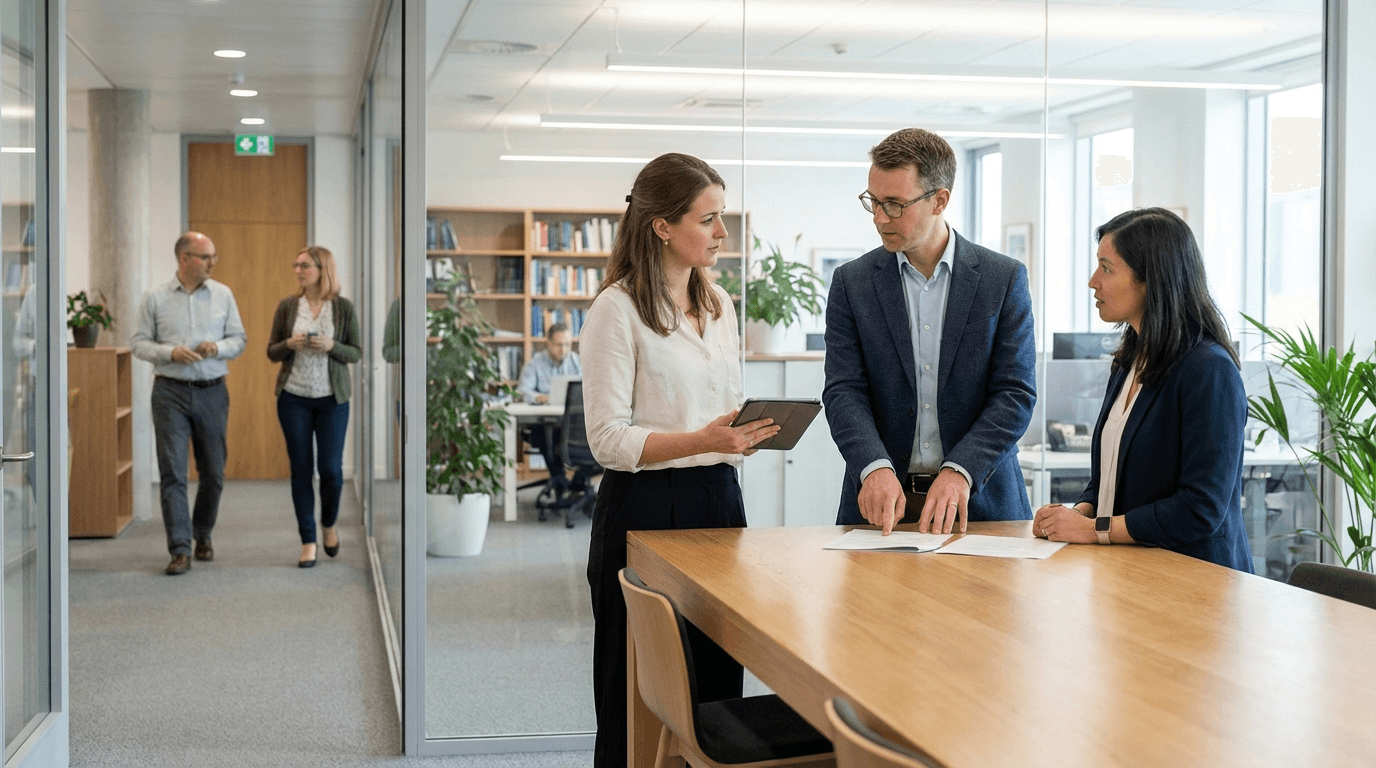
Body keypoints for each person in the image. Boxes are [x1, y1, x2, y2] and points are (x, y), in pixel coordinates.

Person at [580, 152, 779, 768]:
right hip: (644, 506)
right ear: (662, 226)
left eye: (723, 217)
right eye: (709, 219)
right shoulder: (615, 310)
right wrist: (700, 440)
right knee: (635, 687)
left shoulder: (719, 304)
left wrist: (742, 434)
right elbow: (607, 439)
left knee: (717, 685)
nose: (723, 233)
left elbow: (719, 408)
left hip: (719, 502)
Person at [823, 128, 1036, 536]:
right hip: (881, 506)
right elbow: (844, 390)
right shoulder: (853, 283)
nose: (879, 218)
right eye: (873, 201)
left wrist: (960, 470)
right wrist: (872, 465)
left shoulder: (1002, 279)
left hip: (981, 503)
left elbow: (1015, 393)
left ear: (940, 200)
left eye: (895, 204)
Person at [1032, 208, 1253, 571]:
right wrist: (1076, 514)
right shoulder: (1129, 360)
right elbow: (1111, 478)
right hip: (1132, 575)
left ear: (1151, 279)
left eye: (1106, 268)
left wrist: (1094, 530)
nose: (1092, 282)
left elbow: (1200, 509)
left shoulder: (1209, 370)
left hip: (1196, 581)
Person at [132, 232, 246, 576]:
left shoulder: (223, 295)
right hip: (170, 392)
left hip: (212, 389)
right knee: (173, 473)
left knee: (213, 472)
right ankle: (180, 549)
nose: (213, 262)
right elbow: (138, 343)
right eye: (206, 257)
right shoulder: (155, 297)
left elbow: (239, 339)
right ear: (184, 259)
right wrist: (169, 352)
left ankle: (202, 533)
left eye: (213, 256)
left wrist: (218, 348)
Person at [267, 246, 362, 568]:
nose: (298, 270)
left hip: (332, 401)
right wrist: (289, 345)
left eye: (305, 265)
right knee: (301, 471)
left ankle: (329, 524)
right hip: (293, 398)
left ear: (323, 269)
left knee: (332, 472)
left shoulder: (344, 308)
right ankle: (308, 540)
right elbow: (272, 352)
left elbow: (355, 353)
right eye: (296, 265)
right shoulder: (287, 306)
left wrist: (332, 345)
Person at [516, 322, 582, 494]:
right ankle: (560, 480)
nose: (564, 350)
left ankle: (579, 482)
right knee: (548, 436)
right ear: (548, 343)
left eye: (568, 344)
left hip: (573, 426)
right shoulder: (535, 364)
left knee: (590, 435)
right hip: (543, 425)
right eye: (559, 345)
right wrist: (539, 397)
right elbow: (523, 391)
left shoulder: (577, 362)